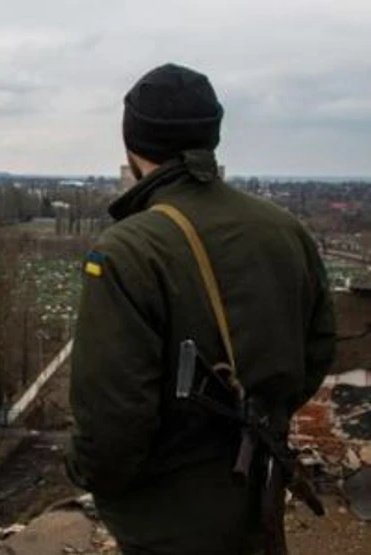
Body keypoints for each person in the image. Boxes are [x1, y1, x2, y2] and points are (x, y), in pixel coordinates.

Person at [65, 63, 336, 554]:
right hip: (258, 489)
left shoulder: (128, 250)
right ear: (212, 137)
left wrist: (85, 471)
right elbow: (317, 348)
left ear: (131, 145)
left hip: (170, 516)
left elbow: (112, 422)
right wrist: (259, 418)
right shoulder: (283, 228)